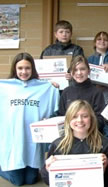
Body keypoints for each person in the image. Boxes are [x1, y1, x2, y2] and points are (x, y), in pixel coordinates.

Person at [0, 52, 60, 186]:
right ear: (14, 69)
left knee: (31, 179)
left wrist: (52, 86)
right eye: (20, 68)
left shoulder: (44, 87)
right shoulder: (5, 88)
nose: (24, 72)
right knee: (18, 181)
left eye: (27, 68)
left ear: (32, 69)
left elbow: (54, 108)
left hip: (32, 140)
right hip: (13, 139)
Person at [41, 100, 108, 186]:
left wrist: (106, 165)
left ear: (91, 119)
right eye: (74, 116)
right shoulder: (58, 145)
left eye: (85, 116)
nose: (80, 120)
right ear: (68, 120)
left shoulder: (104, 144)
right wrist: (48, 169)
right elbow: (50, 181)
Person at [58, 55, 105, 132]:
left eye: (82, 69)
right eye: (75, 70)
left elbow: (100, 120)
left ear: (89, 71)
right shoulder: (66, 92)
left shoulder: (97, 92)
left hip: (92, 136)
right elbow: (61, 116)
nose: (79, 73)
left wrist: (83, 127)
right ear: (71, 72)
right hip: (70, 136)